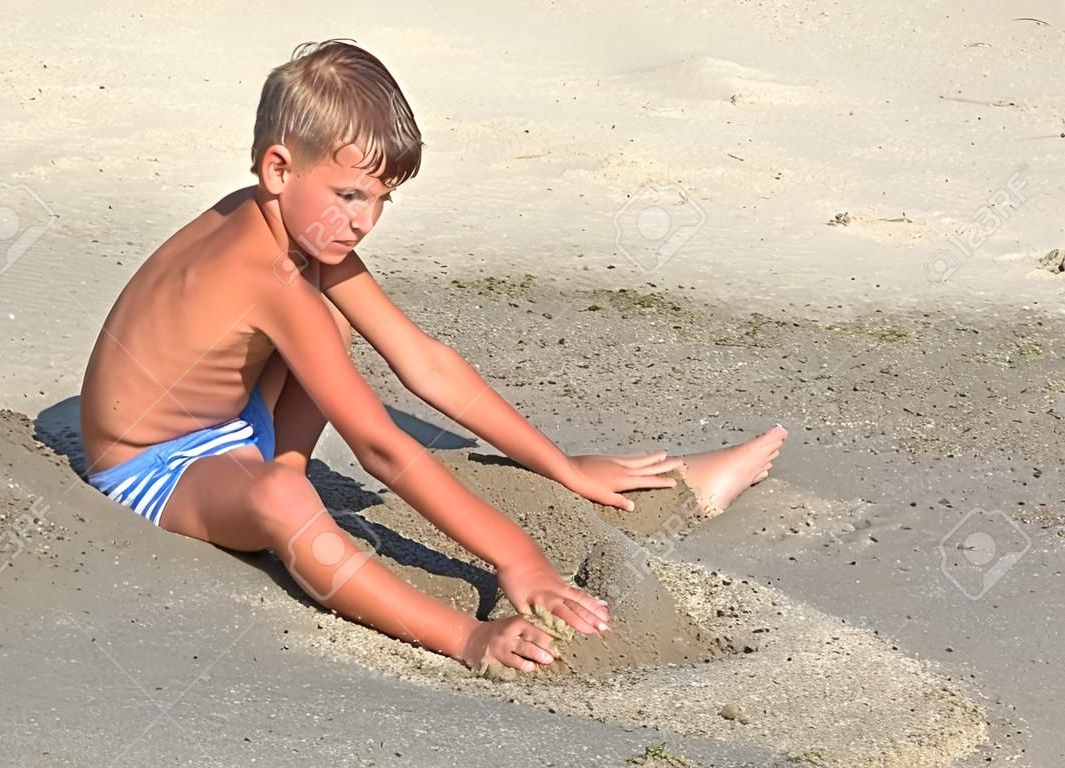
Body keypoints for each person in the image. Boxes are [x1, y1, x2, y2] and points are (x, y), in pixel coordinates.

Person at [79, 40, 786, 675]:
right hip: (156, 468)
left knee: (332, 328)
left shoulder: (290, 223)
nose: (363, 220)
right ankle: (457, 636)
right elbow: (380, 448)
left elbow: (425, 361)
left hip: (233, 422)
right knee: (284, 495)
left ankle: (282, 472)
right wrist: (516, 556)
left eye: (382, 199)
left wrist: (562, 466)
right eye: (350, 194)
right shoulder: (269, 277)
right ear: (278, 168)